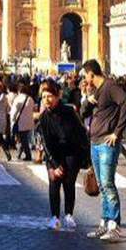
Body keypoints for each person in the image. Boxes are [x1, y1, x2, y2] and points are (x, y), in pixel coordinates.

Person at [80, 59, 126, 242]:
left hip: (107, 144)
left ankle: (114, 226)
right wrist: (88, 100)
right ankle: (104, 223)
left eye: (86, 75)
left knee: (108, 184)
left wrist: (117, 132)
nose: (85, 78)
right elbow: (83, 113)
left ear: (92, 73)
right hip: (95, 142)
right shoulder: (96, 91)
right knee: (102, 186)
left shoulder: (110, 87)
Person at [37, 79, 90, 231]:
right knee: (54, 184)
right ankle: (54, 217)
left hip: (71, 153)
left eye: (49, 96)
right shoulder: (43, 117)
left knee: (69, 184)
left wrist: (87, 157)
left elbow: (81, 134)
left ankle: (68, 215)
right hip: (53, 154)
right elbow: (46, 144)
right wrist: (54, 164)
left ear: (57, 96)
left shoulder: (69, 112)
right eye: (43, 97)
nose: (46, 100)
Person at [10, 83, 35, 161]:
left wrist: (12, 120)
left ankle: (28, 155)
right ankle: (19, 154)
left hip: (20, 122)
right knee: (23, 138)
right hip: (29, 121)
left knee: (23, 139)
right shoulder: (30, 98)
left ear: (19, 90)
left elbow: (14, 112)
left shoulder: (18, 99)